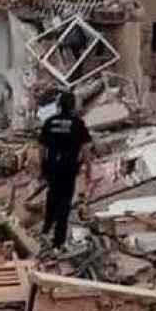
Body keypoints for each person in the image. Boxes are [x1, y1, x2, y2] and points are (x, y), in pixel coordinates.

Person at [38, 92, 92, 250]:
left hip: (52, 166)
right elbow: (86, 149)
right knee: (64, 202)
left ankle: (46, 229)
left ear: (59, 104)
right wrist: (88, 168)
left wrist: (43, 166)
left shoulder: (50, 122)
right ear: (73, 105)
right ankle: (58, 240)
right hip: (69, 168)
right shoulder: (77, 123)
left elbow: (41, 147)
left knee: (51, 198)